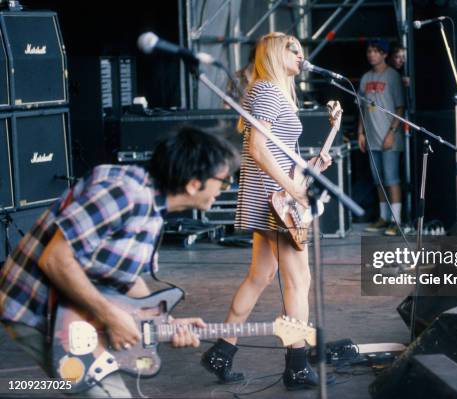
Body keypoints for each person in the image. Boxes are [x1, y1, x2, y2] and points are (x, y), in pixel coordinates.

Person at [0, 126, 239, 397]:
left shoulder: (153, 210)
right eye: (224, 181)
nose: (224, 189)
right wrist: (111, 316)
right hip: (36, 305)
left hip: (72, 310)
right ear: (194, 183)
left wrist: (164, 321)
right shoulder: (125, 193)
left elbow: (126, 279)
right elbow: (55, 259)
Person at [200, 32, 333, 391]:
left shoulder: (276, 92)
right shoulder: (266, 91)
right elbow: (258, 150)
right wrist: (292, 188)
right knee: (298, 281)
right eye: (296, 52)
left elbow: (277, 152)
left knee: (261, 276)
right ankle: (297, 365)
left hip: (275, 192)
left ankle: (222, 351)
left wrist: (309, 165)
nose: (302, 58)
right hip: (273, 197)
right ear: (277, 53)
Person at [357, 38, 405, 236]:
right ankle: (383, 218)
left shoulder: (392, 76)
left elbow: (400, 107)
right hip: (371, 137)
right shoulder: (365, 78)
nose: (371, 55)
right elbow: (361, 108)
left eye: (376, 51)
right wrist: (360, 132)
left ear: (385, 54)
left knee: (391, 178)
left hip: (388, 138)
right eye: (369, 51)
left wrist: (391, 133)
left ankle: (397, 220)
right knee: (378, 180)